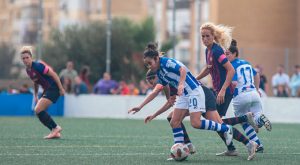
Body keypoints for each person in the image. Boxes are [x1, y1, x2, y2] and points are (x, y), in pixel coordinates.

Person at [129, 43, 258, 161]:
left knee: (198, 123)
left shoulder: (166, 63)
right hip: (186, 95)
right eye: (147, 65)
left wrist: (180, 85)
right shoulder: (160, 73)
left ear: (156, 58)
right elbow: (167, 97)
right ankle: (181, 149)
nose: (149, 66)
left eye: (149, 63)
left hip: (195, 91)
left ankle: (234, 132)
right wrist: (142, 108)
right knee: (174, 120)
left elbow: (183, 70)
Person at [196, 22, 242, 155]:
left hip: (225, 92)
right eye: (202, 36)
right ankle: (231, 148)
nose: (205, 39)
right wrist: (195, 78)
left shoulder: (216, 51)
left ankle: (243, 123)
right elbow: (208, 68)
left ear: (213, 36)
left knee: (216, 121)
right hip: (218, 91)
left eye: (207, 36)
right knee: (216, 121)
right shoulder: (208, 50)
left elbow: (231, 70)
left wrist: (222, 90)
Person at [226, 39, 272, 153]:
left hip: (241, 96)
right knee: (256, 116)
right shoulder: (246, 62)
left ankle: (257, 143)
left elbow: (234, 83)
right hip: (254, 94)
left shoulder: (230, 66)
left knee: (244, 121)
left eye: (227, 54)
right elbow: (257, 75)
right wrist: (257, 89)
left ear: (234, 53)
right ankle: (260, 122)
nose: (226, 56)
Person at [20, 46, 64, 139]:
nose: (25, 60)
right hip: (48, 90)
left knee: (38, 109)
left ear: (31, 57)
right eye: (23, 58)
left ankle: (55, 128)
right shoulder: (28, 70)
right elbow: (35, 81)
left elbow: (54, 74)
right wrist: (35, 95)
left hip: (53, 88)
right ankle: (54, 131)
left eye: (27, 57)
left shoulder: (38, 66)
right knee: (38, 111)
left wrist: (61, 88)